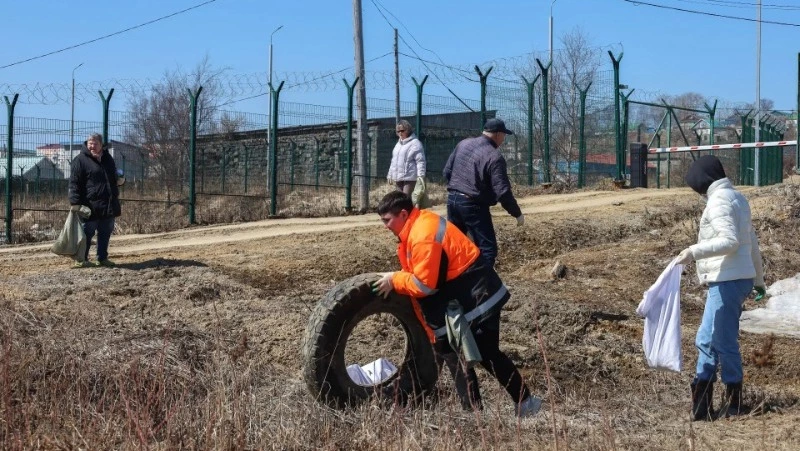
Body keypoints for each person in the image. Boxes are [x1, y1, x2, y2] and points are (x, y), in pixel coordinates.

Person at [372, 190, 542, 417]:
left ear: (403, 214)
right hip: (463, 293)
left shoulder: (422, 234)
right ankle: (474, 414)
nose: (385, 226)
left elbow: (425, 285)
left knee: (486, 351)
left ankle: (525, 403)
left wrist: (395, 280)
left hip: (479, 294)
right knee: (452, 352)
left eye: (387, 220)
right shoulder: (416, 226)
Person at [675, 155, 765, 421]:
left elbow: (731, 241)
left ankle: (732, 404)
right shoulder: (736, 198)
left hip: (728, 279)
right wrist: (758, 279)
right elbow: (752, 243)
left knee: (720, 341)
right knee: (708, 339)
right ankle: (703, 406)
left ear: (701, 182)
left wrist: (692, 252)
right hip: (736, 278)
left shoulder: (719, 202)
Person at [443, 118, 523, 268]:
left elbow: (447, 171)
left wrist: (457, 187)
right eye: (504, 135)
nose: (504, 139)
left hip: (452, 200)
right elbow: (503, 192)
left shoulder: (463, 144)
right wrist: (517, 213)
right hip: (473, 205)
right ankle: (484, 282)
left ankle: (455, 278)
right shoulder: (494, 156)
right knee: (487, 249)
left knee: (455, 246)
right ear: (498, 134)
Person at [68, 133, 123, 267]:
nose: (92, 146)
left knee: (105, 232)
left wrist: (120, 180)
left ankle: (102, 258)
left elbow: (113, 176)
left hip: (108, 203)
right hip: (89, 205)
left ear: (101, 145)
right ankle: (81, 259)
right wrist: (74, 202)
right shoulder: (80, 160)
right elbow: (74, 183)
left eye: (95, 144)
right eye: (90, 143)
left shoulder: (108, 158)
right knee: (86, 233)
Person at [387, 119, 426, 197]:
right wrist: (390, 175)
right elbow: (393, 161)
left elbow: (420, 161)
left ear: (408, 130)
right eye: (398, 131)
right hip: (398, 178)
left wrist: (420, 176)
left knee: (406, 199)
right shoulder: (398, 145)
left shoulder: (415, 143)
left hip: (410, 178)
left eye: (402, 130)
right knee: (399, 200)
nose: (400, 133)